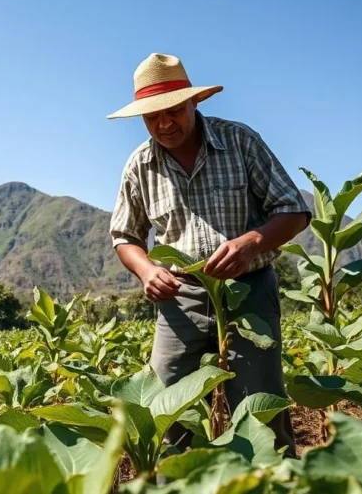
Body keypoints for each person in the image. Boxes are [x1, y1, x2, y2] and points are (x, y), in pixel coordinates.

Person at [107, 52, 310, 454]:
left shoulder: (239, 141)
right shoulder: (140, 165)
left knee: (260, 412)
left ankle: (274, 480)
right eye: (152, 117)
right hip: (179, 298)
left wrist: (251, 243)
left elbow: (294, 211)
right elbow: (125, 237)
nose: (164, 124)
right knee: (165, 407)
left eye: (173, 111)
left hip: (247, 291)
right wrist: (147, 272)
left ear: (193, 102)